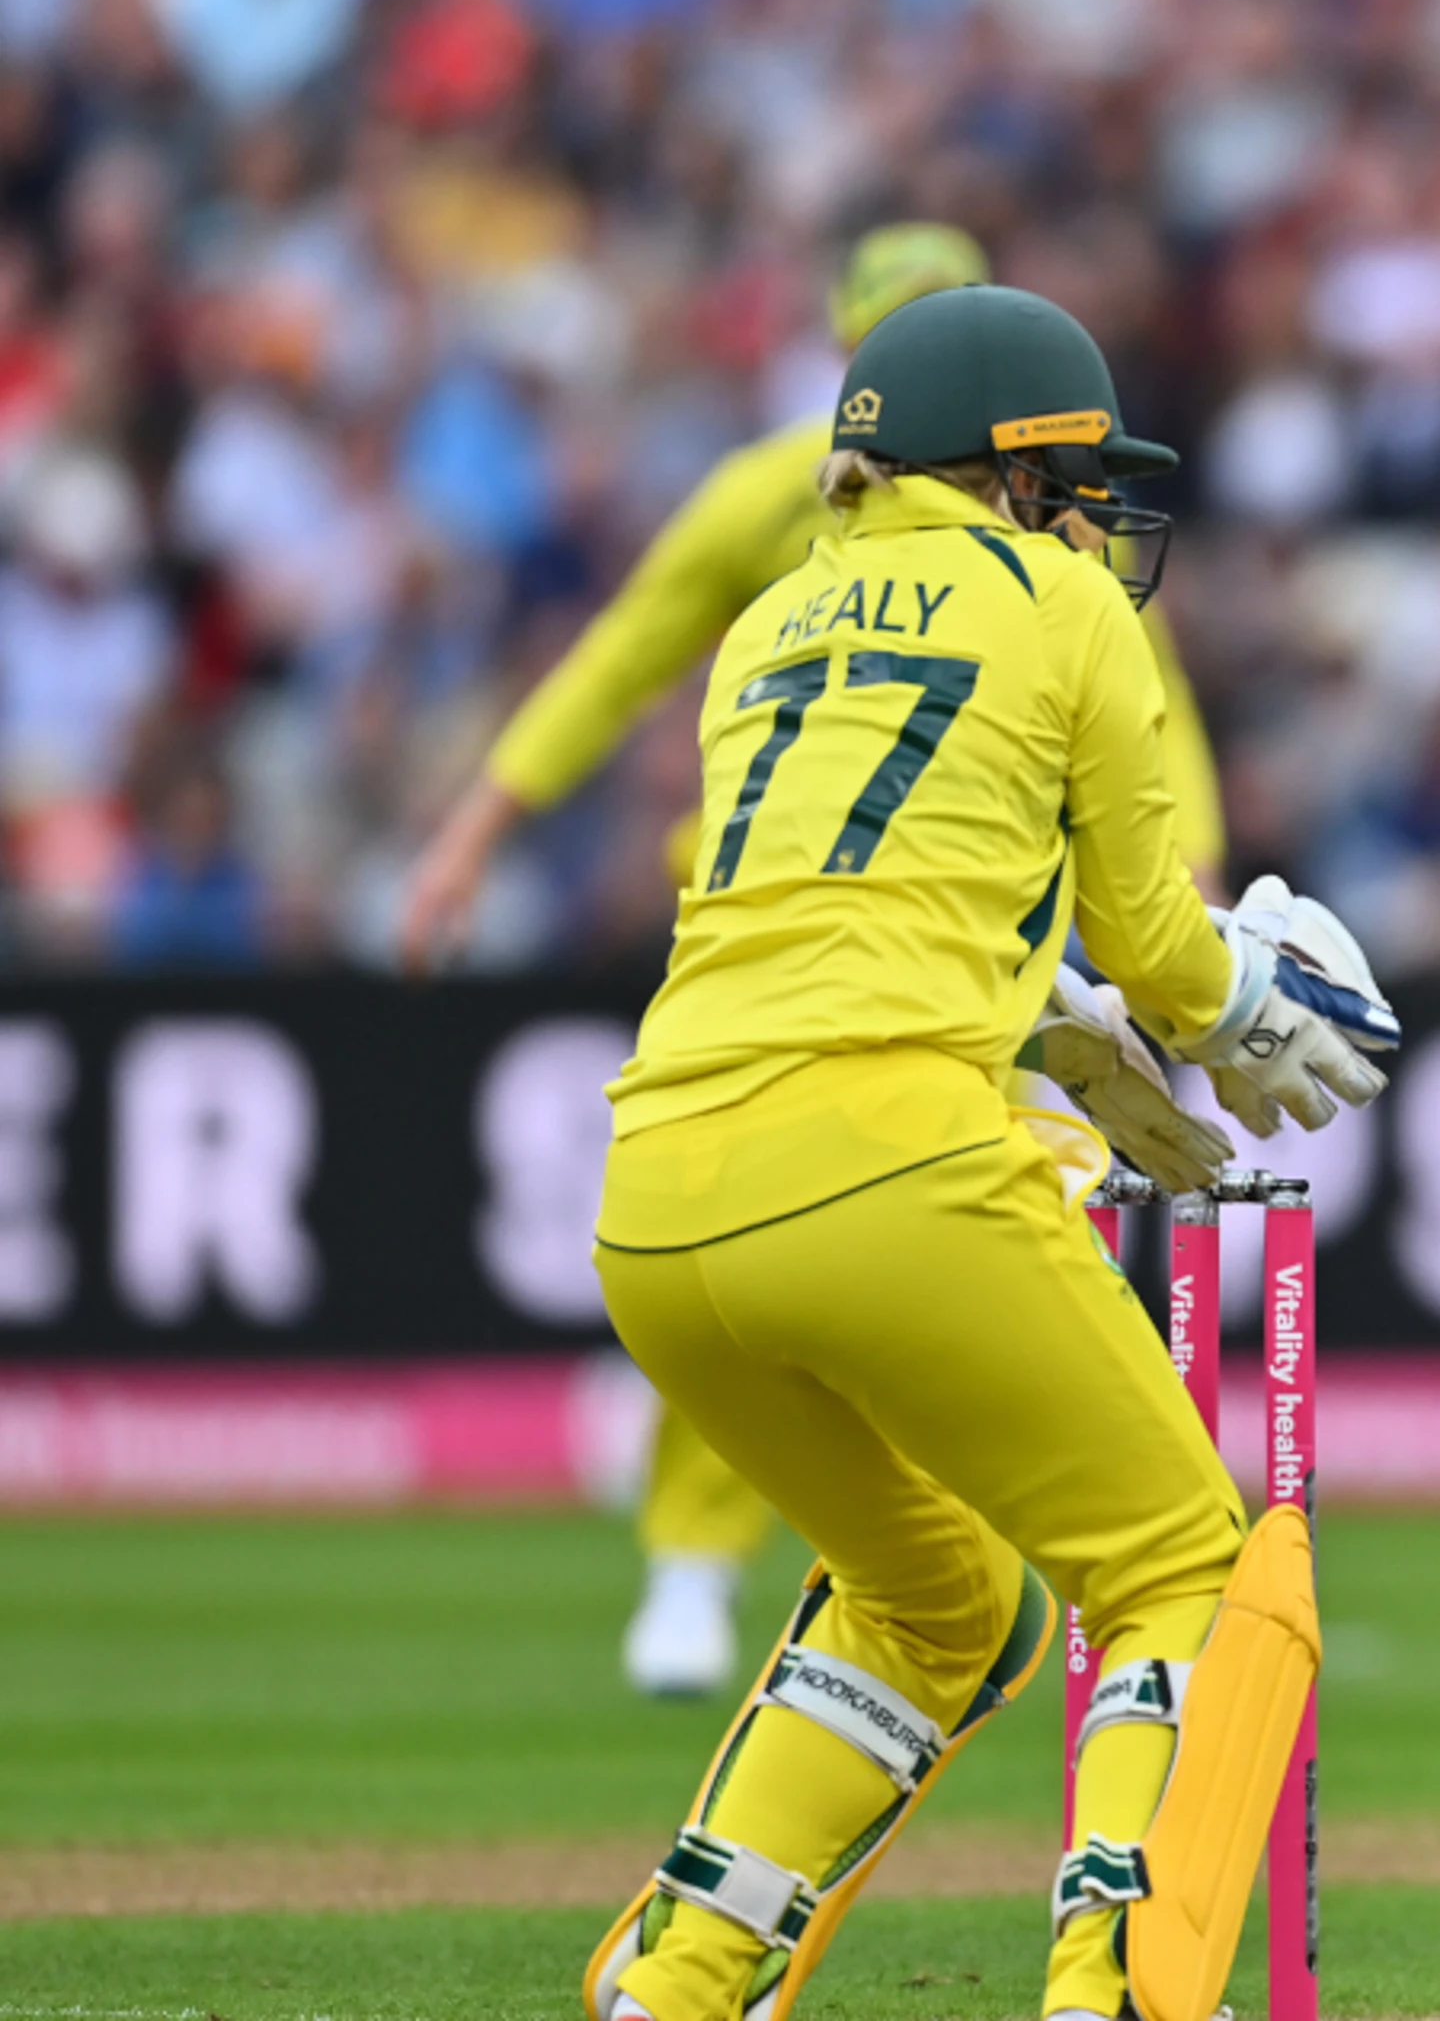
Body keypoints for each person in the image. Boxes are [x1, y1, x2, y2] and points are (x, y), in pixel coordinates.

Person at [580, 283, 1399, 2021]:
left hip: (654, 1201)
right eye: (1081, 475)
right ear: (1014, 469)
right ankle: (1108, 1994)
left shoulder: (772, 627)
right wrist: (1257, 996)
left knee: (942, 1602)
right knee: (1185, 1572)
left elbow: (856, 905)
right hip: (891, 1170)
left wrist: (1053, 1024)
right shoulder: (1063, 606)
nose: (1100, 510)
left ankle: (685, 1974)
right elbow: (1168, 954)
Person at [395, 223, 1237, 1700]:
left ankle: (737, 1773)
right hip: (876, 1006)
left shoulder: (788, 592)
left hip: (749, 1052)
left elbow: (637, 659)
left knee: (755, 1216)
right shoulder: (1028, 580)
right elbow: (619, 654)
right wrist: (1212, 962)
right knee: (1172, 1549)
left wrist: (476, 827)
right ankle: (697, 1565)